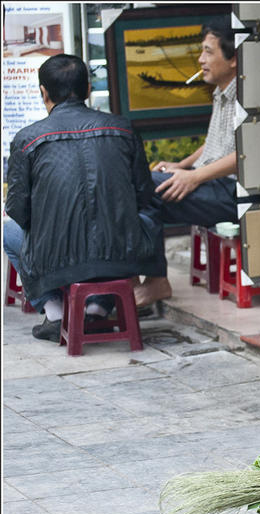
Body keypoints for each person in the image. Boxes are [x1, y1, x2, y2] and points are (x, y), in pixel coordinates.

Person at [3, 53, 163, 342]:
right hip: (123, 253)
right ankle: (98, 308)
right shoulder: (123, 128)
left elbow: (17, 209)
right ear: (88, 89)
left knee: (8, 231)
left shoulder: (28, 139)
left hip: (54, 261)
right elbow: (144, 195)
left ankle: (54, 312)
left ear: (44, 93)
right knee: (121, 231)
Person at [132, 17, 260, 307]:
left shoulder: (247, 95)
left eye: (208, 52)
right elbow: (215, 144)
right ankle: (142, 278)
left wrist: (195, 177)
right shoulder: (222, 91)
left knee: (142, 188)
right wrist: (182, 166)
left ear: (233, 59)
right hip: (210, 182)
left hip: (232, 193)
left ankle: (155, 282)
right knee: (141, 188)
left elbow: (248, 151)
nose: (201, 60)